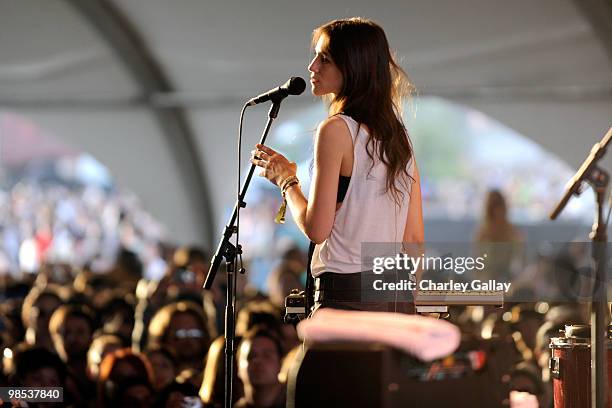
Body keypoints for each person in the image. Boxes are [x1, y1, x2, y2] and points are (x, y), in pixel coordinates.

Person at [250, 17, 424, 312]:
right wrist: (412, 302)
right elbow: (413, 238)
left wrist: (286, 182)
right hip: (394, 295)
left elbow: (317, 229)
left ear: (352, 67)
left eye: (325, 59)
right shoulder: (398, 137)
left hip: (345, 297)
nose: (312, 66)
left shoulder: (335, 130)